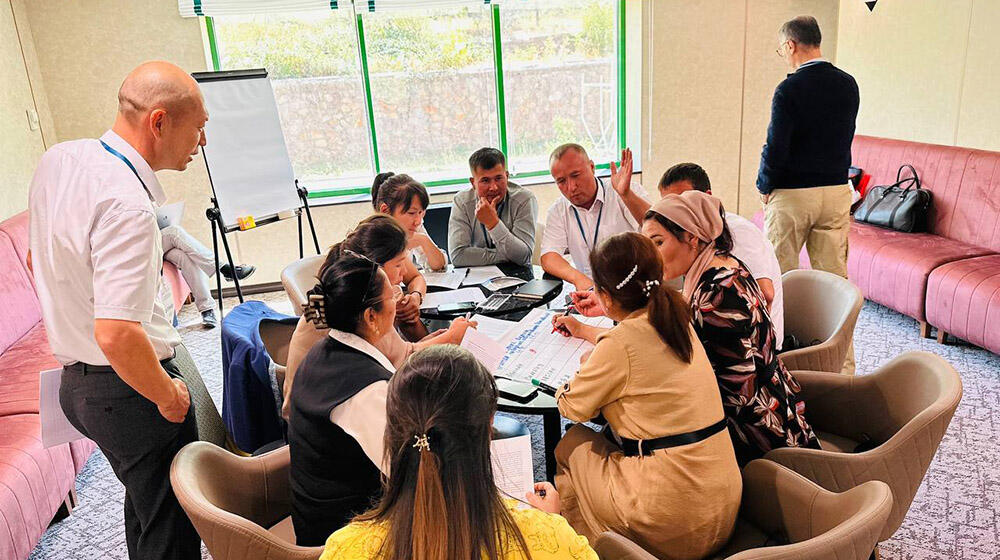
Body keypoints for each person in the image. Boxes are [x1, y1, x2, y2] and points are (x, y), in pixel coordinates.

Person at [28, 61, 204, 559]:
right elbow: (117, 334)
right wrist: (167, 396)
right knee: (173, 523)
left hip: (78, 388)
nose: (202, 142)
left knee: (148, 507)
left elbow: (34, 258)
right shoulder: (128, 203)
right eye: (200, 127)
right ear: (159, 121)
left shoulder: (61, 159)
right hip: (128, 390)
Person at [548, 232, 741, 559]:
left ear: (606, 296)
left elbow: (571, 406)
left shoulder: (620, 344)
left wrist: (585, 369)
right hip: (722, 507)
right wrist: (584, 331)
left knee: (572, 442)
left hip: (673, 521)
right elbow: (634, 346)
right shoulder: (675, 315)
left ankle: (591, 542)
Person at [322, 345, 598, 560]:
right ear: (489, 426)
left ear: (392, 430)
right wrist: (553, 521)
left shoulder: (345, 548)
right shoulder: (551, 538)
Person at [642, 192, 819, 465]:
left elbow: (736, 397)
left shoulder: (717, 297)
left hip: (757, 436)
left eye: (658, 242)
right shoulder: (724, 264)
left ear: (692, 236)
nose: (652, 256)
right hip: (777, 405)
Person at [281, 215, 474, 420]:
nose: (402, 277)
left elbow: (397, 352)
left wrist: (436, 339)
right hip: (324, 420)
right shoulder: (359, 307)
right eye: (398, 266)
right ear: (376, 268)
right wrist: (451, 338)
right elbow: (402, 361)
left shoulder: (357, 290)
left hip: (325, 411)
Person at [288, 252, 399, 545]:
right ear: (370, 316)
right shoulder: (366, 390)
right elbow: (407, 471)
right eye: (392, 296)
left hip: (314, 515)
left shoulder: (323, 350)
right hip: (344, 535)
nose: (398, 300)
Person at [758, 15, 859, 278]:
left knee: (780, 274)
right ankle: (835, 321)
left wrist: (764, 185)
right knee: (833, 276)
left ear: (791, 45)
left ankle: (784, 321)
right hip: (836, 190)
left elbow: (776, 145)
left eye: (781, 49)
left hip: (794, 194)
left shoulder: (789, 89)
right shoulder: (848, 84)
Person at [659, 162, 785, 349]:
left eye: (682, 204)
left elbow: (765, 294)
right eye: (668, 206)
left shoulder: (738, 232)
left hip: (755, 347)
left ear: (707, 198)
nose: (674, 215)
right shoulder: (694, 235)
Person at [540, 144, 651, 290]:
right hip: (590, 291)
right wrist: (578, 278)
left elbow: (656, 226)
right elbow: (548, 256)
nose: (571, 187)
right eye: (561, 181)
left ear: (592, 167)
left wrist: (626, 195)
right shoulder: (558, 210)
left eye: (575, 175)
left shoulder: (623, 191)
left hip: (633, 288)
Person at [448, 147, 538, 267]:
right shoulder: (462, 202)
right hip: (475, 278)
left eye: (498, 178)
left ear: (507, 176)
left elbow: (523, 257)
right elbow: (458, 256)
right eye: (485, 180)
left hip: (518, 276)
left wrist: (493, 224)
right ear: (473, 183)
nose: (493, 187)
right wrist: (507, 255)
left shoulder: (524, 199)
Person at [160, 223, 254, 327]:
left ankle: (207, 309)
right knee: (174, 232)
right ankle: (224, 269)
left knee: (185, 257)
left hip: (149, 241)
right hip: (140, 247)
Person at [371, 172, 446, 272]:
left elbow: (438, 265)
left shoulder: (415, 225)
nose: (418, 221)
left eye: (421, 212)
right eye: (411, 213)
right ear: (385, 211)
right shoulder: (370, 237)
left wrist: (423, 240)